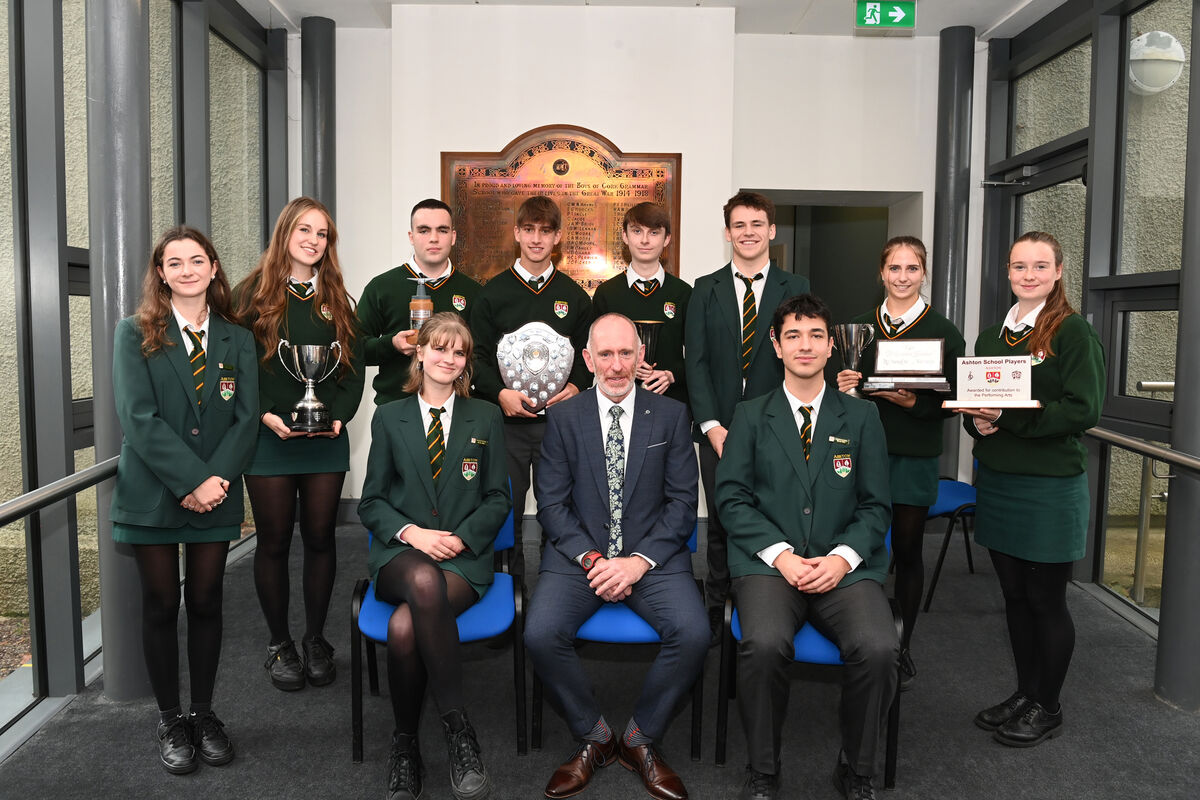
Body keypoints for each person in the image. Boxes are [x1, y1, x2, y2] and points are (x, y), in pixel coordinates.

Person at [716, 294, 897, 800]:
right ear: (775, 345)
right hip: (771, 566)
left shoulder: (862, 419)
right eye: (793, 335)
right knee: (766, 644)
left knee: (880, 648)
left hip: (844, 566)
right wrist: (781, 555)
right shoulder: (750, 416)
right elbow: (731, 500)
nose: (805, 345)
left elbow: (876, 506)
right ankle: (764, 769)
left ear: (832, 344)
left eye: (816, 334)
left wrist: (841, 559)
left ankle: (856, 769)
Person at [525, 313, 707, 800]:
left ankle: (639, 738)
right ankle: (595, 736)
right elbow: (552, 504)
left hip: (653, 559)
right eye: (605, 354)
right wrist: (592, 559)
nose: (617, 364)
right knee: (540, 633)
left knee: (693, 634)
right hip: (578, 557)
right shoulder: (563, 417)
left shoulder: (671, 415)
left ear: (641, 357)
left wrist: (636, 561)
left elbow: (682, 505)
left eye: (626, 353)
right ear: (587, 360)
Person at [111, 226, 259, 774]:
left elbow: (247, 418)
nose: (188, 270)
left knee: (206, 601)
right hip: (153, 490)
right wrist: (192, 480)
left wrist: (214, 480)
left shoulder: (237, 338)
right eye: (175, 263)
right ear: (161, 273)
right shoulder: (135, 332)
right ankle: (170, 718)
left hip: (216, 490)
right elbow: (138, 419)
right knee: (159, 605)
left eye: (197, 260)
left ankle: (203, 713)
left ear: (214, 268)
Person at [957, 231, 1104, 747]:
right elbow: (979, 406)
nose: (1029, 275)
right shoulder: (994, 336)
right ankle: (1025, 692)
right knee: (1014, 598)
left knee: (1046, 600)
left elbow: (1082, 409)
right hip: (999, 482)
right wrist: (982, 425)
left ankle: (1049, 704)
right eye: (1020, 266)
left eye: (1041, 266)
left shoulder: (1072, 332)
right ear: (1008, 270)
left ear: (1059, 271)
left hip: (1048, 488)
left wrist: (1009, 420)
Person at [358, 312, 511, 800]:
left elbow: (498, 498)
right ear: (419, 352)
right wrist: (414, 535)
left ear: (466, 363)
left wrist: (462, 539)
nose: (448, 358)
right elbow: (371, 502)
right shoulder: (389, 416)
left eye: (459, 351)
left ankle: (404, 745)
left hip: (462, 559)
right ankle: (458, 729)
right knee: (422, 584)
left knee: (403, 628)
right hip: (402, 556)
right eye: (439, 348)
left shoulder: (485, 415)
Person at [233, 196, 365, 692]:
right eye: (304, 230)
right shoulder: (251, 295)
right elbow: (239, 368)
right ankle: (278, 642)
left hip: (324, 440)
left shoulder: (337, 296)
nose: (313, 241)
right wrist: (266, 414)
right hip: (269, 439)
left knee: (320, 539)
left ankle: (313, 638)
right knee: (272, 542)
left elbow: (352, 371)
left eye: (322, 234)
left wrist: (340, 417)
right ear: (285, 233)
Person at [835, 236, 965, 689]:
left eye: (912, 269)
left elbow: (954, 400)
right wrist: (844, 385)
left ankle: (902, 643)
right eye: (895, 268)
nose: (903, 277)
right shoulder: (856, 328)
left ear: (924, 273)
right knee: (856, 546)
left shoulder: (946, 332)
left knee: (907, 550)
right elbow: (836, 395)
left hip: (913, 453)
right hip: (859, 452)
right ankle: (854, 631)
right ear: (882, 272)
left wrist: (913, 403)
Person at [685, 191, 810, 639]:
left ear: (771, 231)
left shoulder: (795, 288)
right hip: (717, 430)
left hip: (777, 428)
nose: (748, 232)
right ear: (727, 233)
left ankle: (770, 603)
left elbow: (800, 358)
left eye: (757, 224)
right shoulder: (705, 289)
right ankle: (719, 607)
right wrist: (712, 425)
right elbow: (694, 363)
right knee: (721, 521)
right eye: (739, 225)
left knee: (774, 514)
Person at [471, 195, 593, 578]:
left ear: (557, 237)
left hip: (559, 427)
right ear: (516, 234)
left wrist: (575, 388)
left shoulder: (574, 296)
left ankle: (557, 588)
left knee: (560, 509)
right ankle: (507, 594)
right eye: (529, 230)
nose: (536, 239)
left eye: (545, 231)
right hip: (504, 426)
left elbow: (590, 357)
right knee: (502, 511)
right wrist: (498, 393)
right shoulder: (491, 293)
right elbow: (475, 356)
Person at [358, 198, 482, 405]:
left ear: (453, 237)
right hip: (396, 408)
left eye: (442, 230)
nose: (433, 238)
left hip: (458, 411)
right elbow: (353, 350)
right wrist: (391, 344)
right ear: (411, 236)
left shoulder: (473, 292)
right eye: (424, 230)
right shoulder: (381, 287)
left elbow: (483, 356)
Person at [591, 202, 691, 406]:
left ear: (667, 239)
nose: (645, 240)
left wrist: (671, 375)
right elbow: (593, 353)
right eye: (637, 231)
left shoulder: (683, 293)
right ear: (625, 236)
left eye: (654, 233)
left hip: (672, 402)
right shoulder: (607, 294)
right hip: (616, 402)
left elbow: (700, 356)